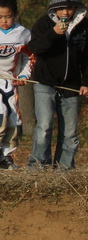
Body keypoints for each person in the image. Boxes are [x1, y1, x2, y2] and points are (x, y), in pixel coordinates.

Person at [27, 0, 88, 170]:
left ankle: (64, 171)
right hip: (45, 83)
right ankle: (37, 167)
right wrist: (53, 33)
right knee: (44, 127)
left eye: (70, 8)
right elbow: (35, 47)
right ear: (54, 9)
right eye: (61, 8)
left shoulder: (83, 25)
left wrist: (86, 82)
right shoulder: (43, 23)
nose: (65, 12)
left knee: (70, 134)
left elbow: (87, 56)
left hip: (71, 86)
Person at [0, 0, 32, 169]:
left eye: (8, 16)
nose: (4, 21)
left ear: (15, 15)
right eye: (0, 17)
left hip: (11, 82)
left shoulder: (23, 33)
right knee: (1, 114)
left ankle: (6, 156)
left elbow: (29, 57)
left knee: (14, 121)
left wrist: (24, 74)